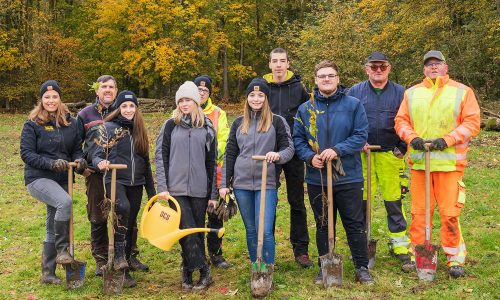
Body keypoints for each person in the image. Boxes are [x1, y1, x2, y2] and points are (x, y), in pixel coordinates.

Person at [395, 50, 480, 278]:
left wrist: (448, 139)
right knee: (419, 213)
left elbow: (472, 122)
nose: (433, 67)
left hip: (450, 166)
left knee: (450, 213)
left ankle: (454, 258)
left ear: (446, 66)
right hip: (421, 164)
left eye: (437, 63)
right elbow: (401, 121)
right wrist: (413, 139)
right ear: (424, 69)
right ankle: (418, 254)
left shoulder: (462, 92)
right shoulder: (412, 93)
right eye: (429, 64)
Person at [293, 60, 374, 284]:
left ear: (338, 79)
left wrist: (337, 150)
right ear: (316, 80)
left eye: (330, 75)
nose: (326, 79)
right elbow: (298, 139)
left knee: (354, 223)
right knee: (322, 224)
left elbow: (360, 135)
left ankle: (361, 267)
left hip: (348, 175)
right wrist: (310, 157)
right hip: (317, 176)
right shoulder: (306, 109)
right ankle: (324, 265)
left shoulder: (353, 105)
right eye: (322, 76)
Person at [219, 78, 294, 295]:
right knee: (251, 229)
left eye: (260, 95)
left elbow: (289, 149)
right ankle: (256, 266)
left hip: (266, 182)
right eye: (252, 95)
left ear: (266, 98)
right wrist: (225, 184)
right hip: (241, 183)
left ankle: (267, 267)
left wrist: (277, 155)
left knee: (265, 229)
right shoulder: (238, 123)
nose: (256, 99)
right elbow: (230, 153)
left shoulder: (277, 121)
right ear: (247, 98)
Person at [77, 75, 151, 276]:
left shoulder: (126, 115)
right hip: (95, 173)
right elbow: (76, 145)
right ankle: (102, 259)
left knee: (126, 214)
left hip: (125, 175)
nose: (108, 90)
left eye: (111, 87)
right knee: (98, 215)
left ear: (116, 92)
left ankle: (128, 255)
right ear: (97, 90)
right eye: (104, 87)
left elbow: (142, 155)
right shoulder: (86, 114)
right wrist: (82, 165)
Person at [348, 52, 412, 271]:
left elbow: (409, 121)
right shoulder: (354, 92)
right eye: (373, 67)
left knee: (394, 201)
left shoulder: (401, 93)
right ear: (366, 69)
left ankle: (400, 246)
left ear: (389, 68)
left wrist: (402, 147)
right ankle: (360, 244)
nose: (378, 70)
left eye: (382, 67)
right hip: (362, 155)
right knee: (361, 202)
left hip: (390, 155)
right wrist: (357, 142)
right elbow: (348, 120)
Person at [20, 80, 86, 284]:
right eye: (46, 97)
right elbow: (27, 154)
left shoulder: (70, 122)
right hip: (39, 178)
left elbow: (75, 148)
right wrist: (51, 163)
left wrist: (80, 159)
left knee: (52, 223)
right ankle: (62, 251)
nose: (50, 100)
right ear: (41, 100)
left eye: (54, 96)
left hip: (63, 177)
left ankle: (47, 273)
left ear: (60, 98)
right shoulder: (32, 124)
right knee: (64, 203)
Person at [155, 81, 218, 291]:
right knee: (186, 229)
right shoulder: (170, 125)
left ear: (196, 101)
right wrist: (162, 186)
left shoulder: (207, 127)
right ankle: (203, 269)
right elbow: (160, 156)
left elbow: (211, 162)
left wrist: (213, 194)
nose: (184, 104)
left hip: (200, 188)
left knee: (196, 229)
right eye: (180, 100)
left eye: (188, 100)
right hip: (176, 189)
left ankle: (189, 269)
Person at [92, 90, 156, 287]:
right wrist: (100, 162)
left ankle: (124, 266)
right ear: (118, 108)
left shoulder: (139, 130)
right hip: (116, 180)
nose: (128, 110)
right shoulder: (108, 128)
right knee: (124, 209)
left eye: (132, 106)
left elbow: (145, 162)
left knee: (130, 221)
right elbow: (95, 154)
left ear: (136, 108)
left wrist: (151, 193)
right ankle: (118, 256)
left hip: (136, 183)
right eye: (124, 106)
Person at [263, 48, 312, 267]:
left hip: (293, 151)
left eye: (283, 61)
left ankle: (300, 249)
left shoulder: (298, 87)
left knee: (296, 201)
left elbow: (308, 115)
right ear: (270, 64)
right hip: (269, 151)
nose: (279, 65)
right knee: (268, 200)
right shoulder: (263, 87)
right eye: (275, 61)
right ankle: (267, 248)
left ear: (288, 63)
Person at [193, 75, 231, 269]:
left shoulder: (218, 113)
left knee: (216, 215)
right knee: (195, 215)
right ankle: (197, 255)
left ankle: (216, 254)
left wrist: (210, 153)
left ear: (209, 93)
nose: (200, 93)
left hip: (215, 170)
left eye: (204, 91)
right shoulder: (180, 110)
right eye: (197, 90)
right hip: (192, 173)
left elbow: (224, 138)